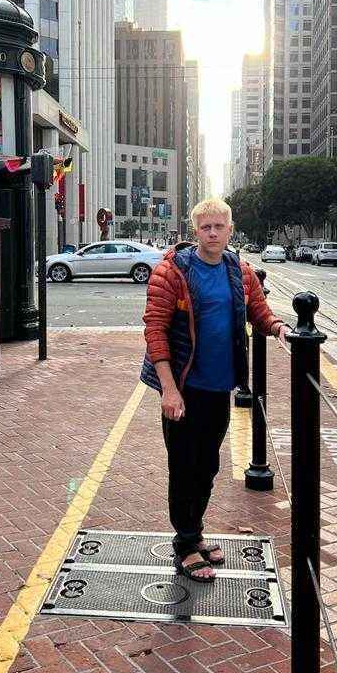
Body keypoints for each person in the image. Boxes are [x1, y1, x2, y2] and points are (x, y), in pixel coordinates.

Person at [141, 198, 290, 583]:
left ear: (229, 229)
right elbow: (154, 330)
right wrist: (168, 391)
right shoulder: (172, 271)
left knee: (208, 465)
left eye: (218, 227)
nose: (212, 233)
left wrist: (277, 328)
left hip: (219, 387)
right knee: (184, 466)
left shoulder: (238, 271)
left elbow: (258, 309)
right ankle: (185, 544)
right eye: (205, 227)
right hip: (184, 387)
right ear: (195, 231)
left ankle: (195, 531)